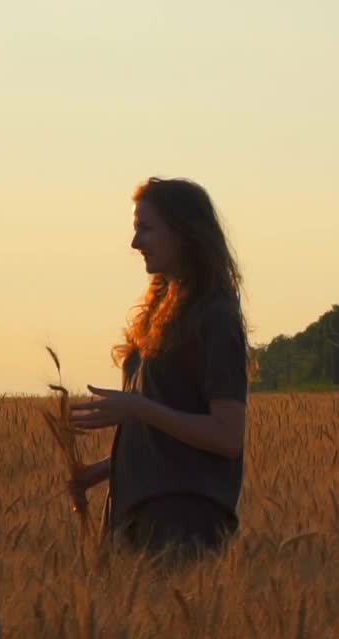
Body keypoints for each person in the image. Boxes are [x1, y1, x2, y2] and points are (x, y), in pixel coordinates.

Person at [68, 177, 251, 559]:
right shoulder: (165, 312)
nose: (135, 244)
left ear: (184, 232)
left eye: (145, 229)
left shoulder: (214, 319)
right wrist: (103, 469)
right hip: (139, 516)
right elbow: (169, 430)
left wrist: (136, 408)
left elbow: (227, 435)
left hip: (182, 523)